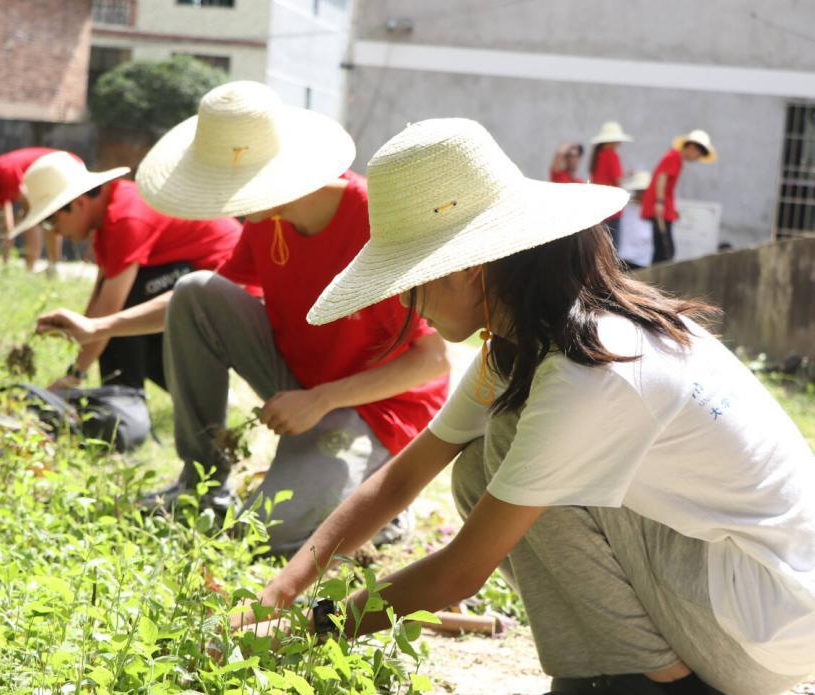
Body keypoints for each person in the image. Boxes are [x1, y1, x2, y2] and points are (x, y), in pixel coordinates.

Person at [240, 119, 815, 695]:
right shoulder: (544, 335)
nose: (412, 308)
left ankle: (645, 681)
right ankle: (618, 665)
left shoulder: (591, 370)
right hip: (739, 592)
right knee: (478, 464)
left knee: (510, 445)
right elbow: (404, 478)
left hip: (760, 626)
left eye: (411, 282)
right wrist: (284, 588)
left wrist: (310, 628)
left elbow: (463, 570)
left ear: (466, 267)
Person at [35, 81, 450, 554]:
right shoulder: (268, 219)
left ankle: (379, 502)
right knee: (196, 289)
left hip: (374, 406)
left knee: (267, 534)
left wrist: (320, 400)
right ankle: (202, 484)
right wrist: (99, 327)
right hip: (302, 382)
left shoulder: (375, 221)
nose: (225, 202)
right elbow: (204, 304)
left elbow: (431, 360)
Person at [16, 151, 244, 393]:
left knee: (127, 303)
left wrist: (74, 376)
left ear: (79, 204)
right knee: (125, 313)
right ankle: (194, 388)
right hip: (196, 279)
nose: (56, 232)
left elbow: (108, 308)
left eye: (51, 221)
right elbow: (100, 296)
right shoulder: (108, 212)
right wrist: (78, 333)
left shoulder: (124, 219)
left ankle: (127, 398)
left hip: (230, 289)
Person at [0, 148, 69, 272]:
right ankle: (44, 268)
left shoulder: (5, 171)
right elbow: (6, 227)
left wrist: (20, 221)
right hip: (46, 177)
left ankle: (47, 268)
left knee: (46, 214)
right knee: (35, 216)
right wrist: (5, 264)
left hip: (59, 166)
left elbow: (31, 212)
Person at [641, 130, 717, 264]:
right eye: (699, 153)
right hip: (661, 208)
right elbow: (662, 178)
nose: (698, 157)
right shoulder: (674, 157)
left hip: (664, 207)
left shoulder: (675, 158)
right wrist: (660, 202)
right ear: (692, 147)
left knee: (662, 250)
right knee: (665, 251)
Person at [588, 121, 632, 246]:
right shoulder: (612, 155)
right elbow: (618, 182)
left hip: (599, 208)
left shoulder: (598, 156)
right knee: (613, 246)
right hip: (612, 209)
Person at [616, 170, 654, 270]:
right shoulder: (624, 206)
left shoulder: (651, 210)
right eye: (640, 191)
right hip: (624, 258)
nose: (642, 194)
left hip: (643, 261)